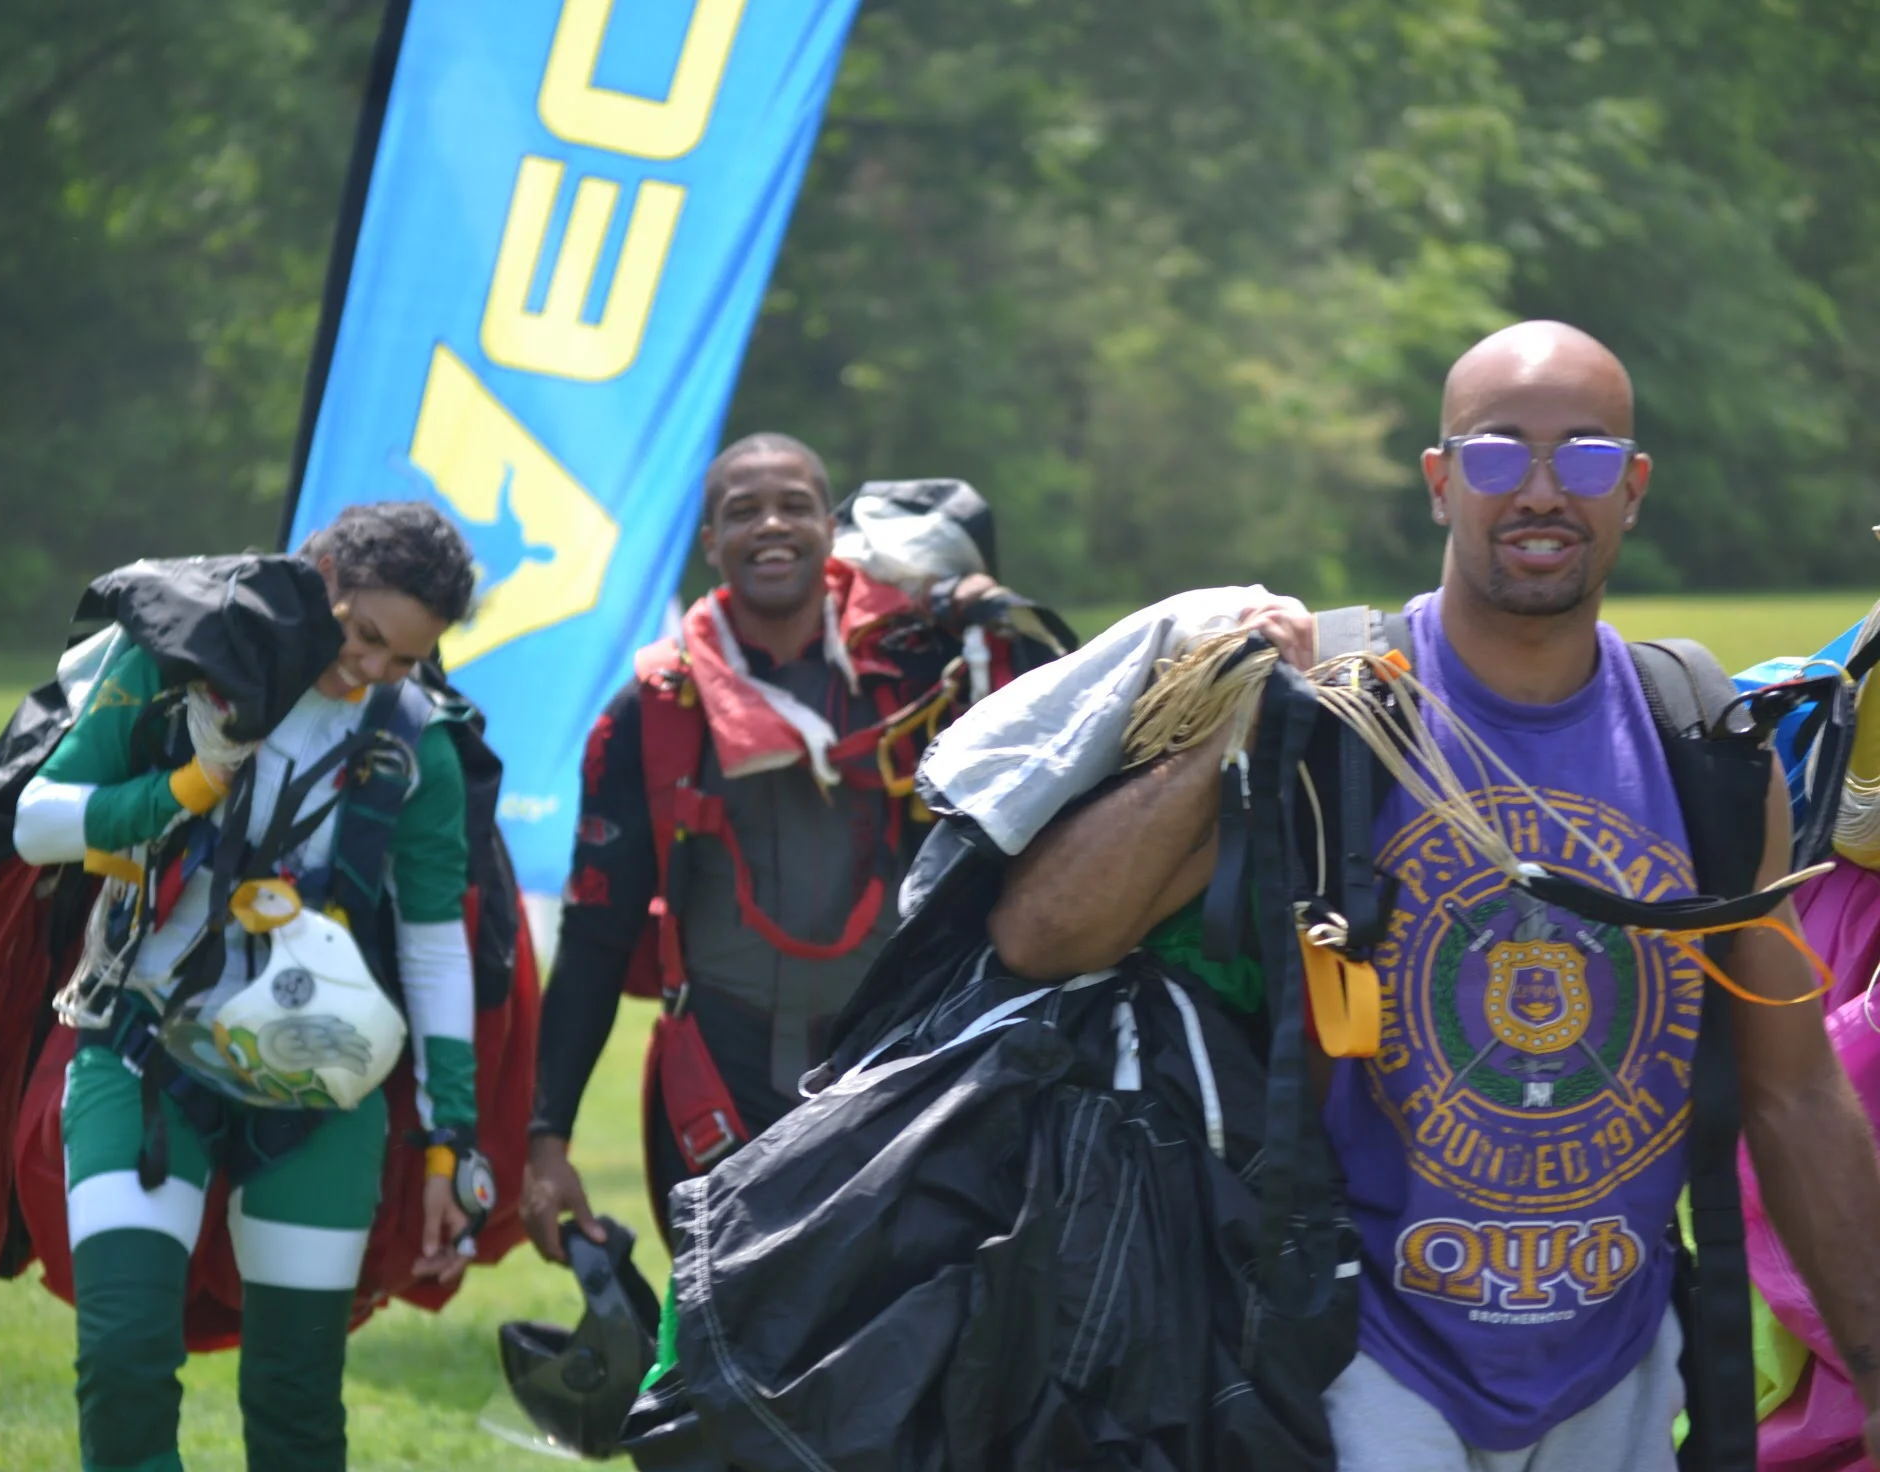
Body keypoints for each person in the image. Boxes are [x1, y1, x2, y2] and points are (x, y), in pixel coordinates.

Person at [987, 321, 1880, 1469]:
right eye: (1501, 454)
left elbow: (1797, 1088)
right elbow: (1044, 934)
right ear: (1439, 480)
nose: (1545, 491)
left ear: (1636, 487)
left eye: (1589, 457)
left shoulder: (1703, 743)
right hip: (1358, 1360)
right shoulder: (1337, 717)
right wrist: (1232, 734)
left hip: (1618, 1370)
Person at [10, 501, 483, 1472]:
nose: (374, 670)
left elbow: (435, 946)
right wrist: (184, 787)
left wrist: (450, 1141)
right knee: (125, 1358)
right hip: (138, 1053)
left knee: (298, 1396)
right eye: (362, 636)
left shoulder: (417, 739)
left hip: (324, 1087)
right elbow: (39, 820)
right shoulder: (172, 659)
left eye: (404, 656)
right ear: (317, 575)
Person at [521, 433, 1054, 1259]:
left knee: (900, 1343)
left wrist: (987, 616)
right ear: (711, 543)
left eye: (795, 506)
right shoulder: (656, 707)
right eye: (744, 512)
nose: (771, 525)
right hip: (718, 1083)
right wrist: (548, 1137)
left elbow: (1065, 745)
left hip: (902, 1068)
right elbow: (595, 936)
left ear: (830, 530)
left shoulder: (928, 673)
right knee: (727, 1346)